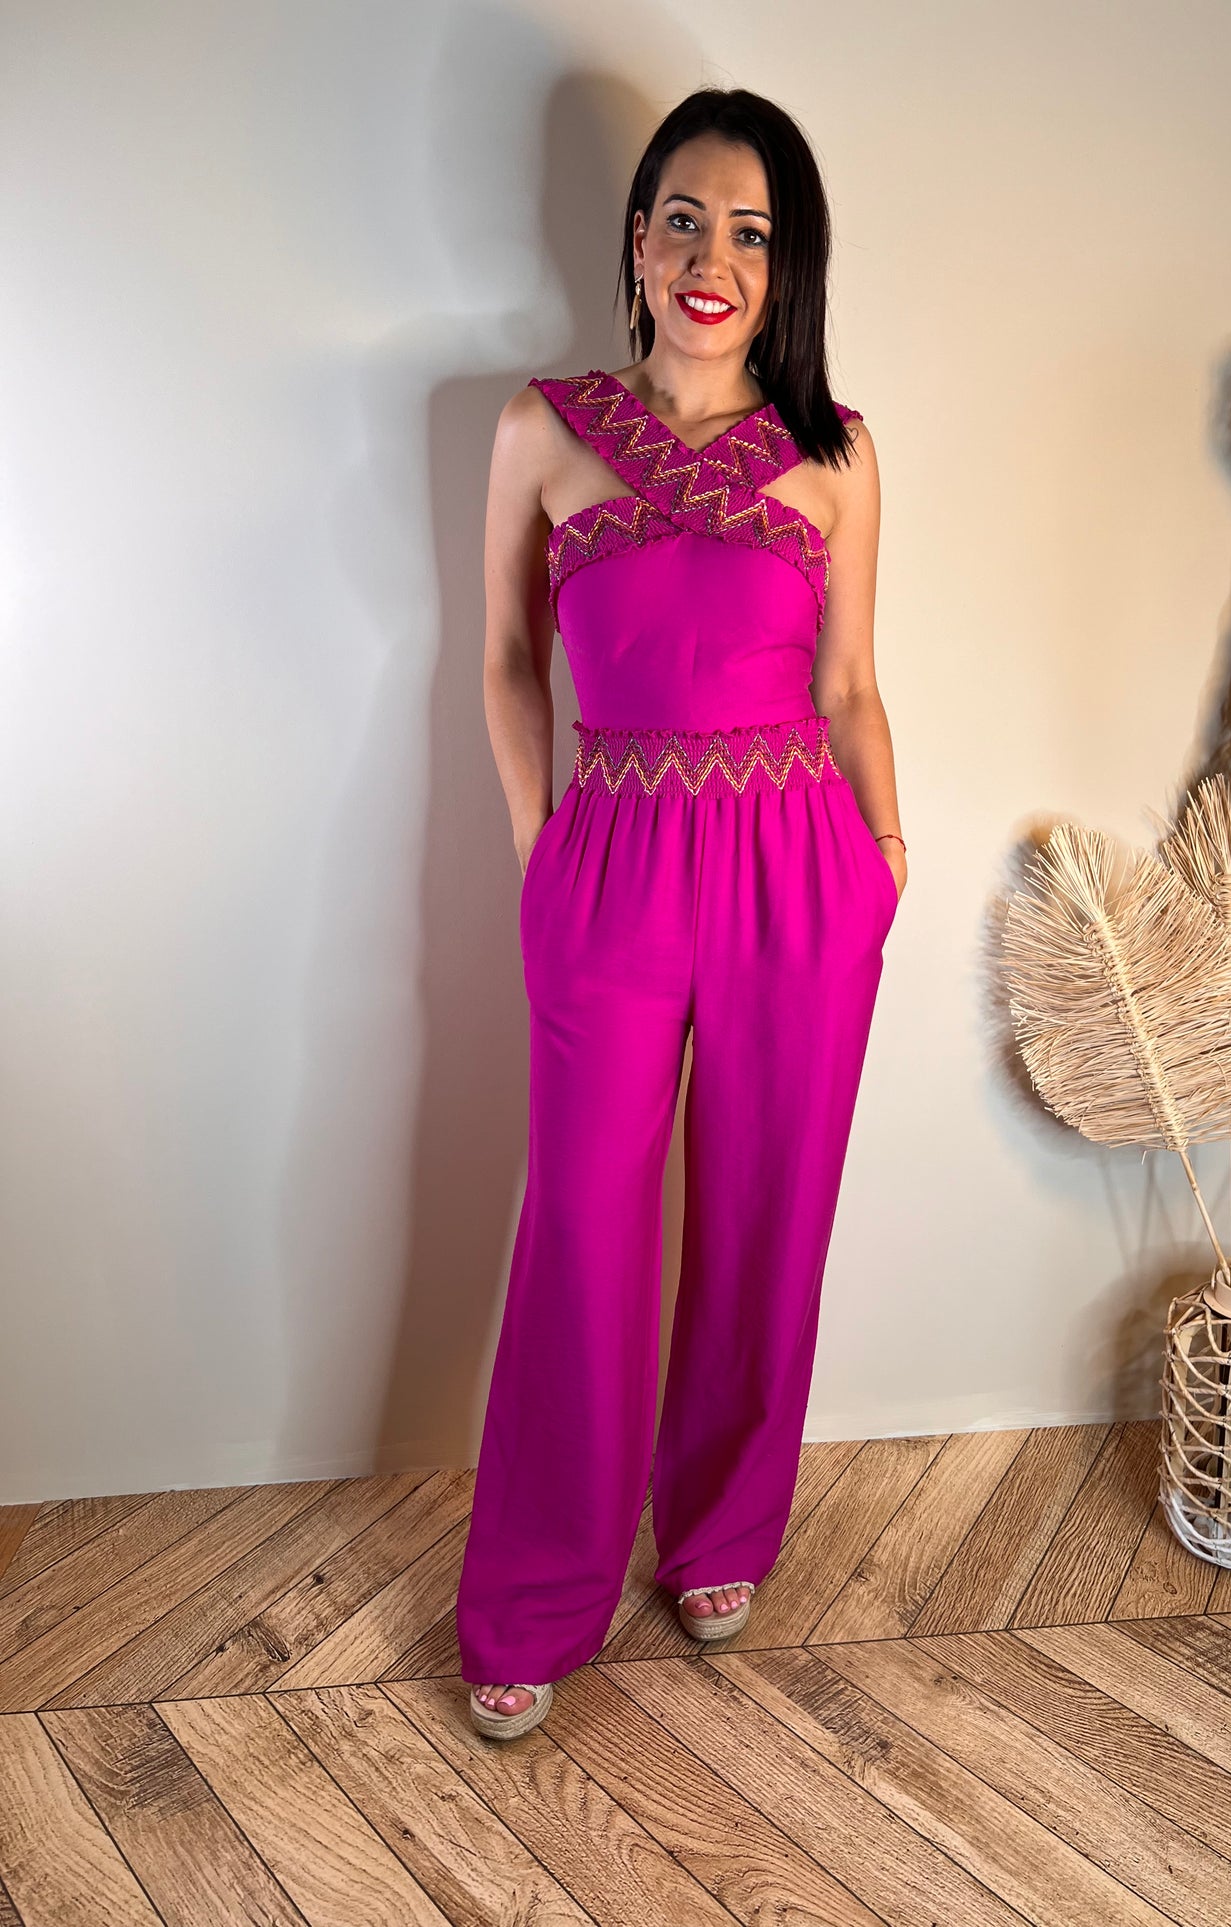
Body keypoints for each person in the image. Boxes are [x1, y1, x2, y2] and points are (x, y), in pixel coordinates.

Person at [458, 85, 905, 1741]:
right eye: (685, 219)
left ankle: (718, 1534)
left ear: (786, 271)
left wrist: (883, 848)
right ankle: (534, 1594)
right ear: (636, 242)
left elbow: (849, 685)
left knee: (766, 1213)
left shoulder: (835, 452)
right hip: (614, 860)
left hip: (800, 865)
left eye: (754, 234)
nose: (715, 258)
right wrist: (540, 846)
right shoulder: (544, 429)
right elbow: (506, 662)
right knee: (583, 1229)